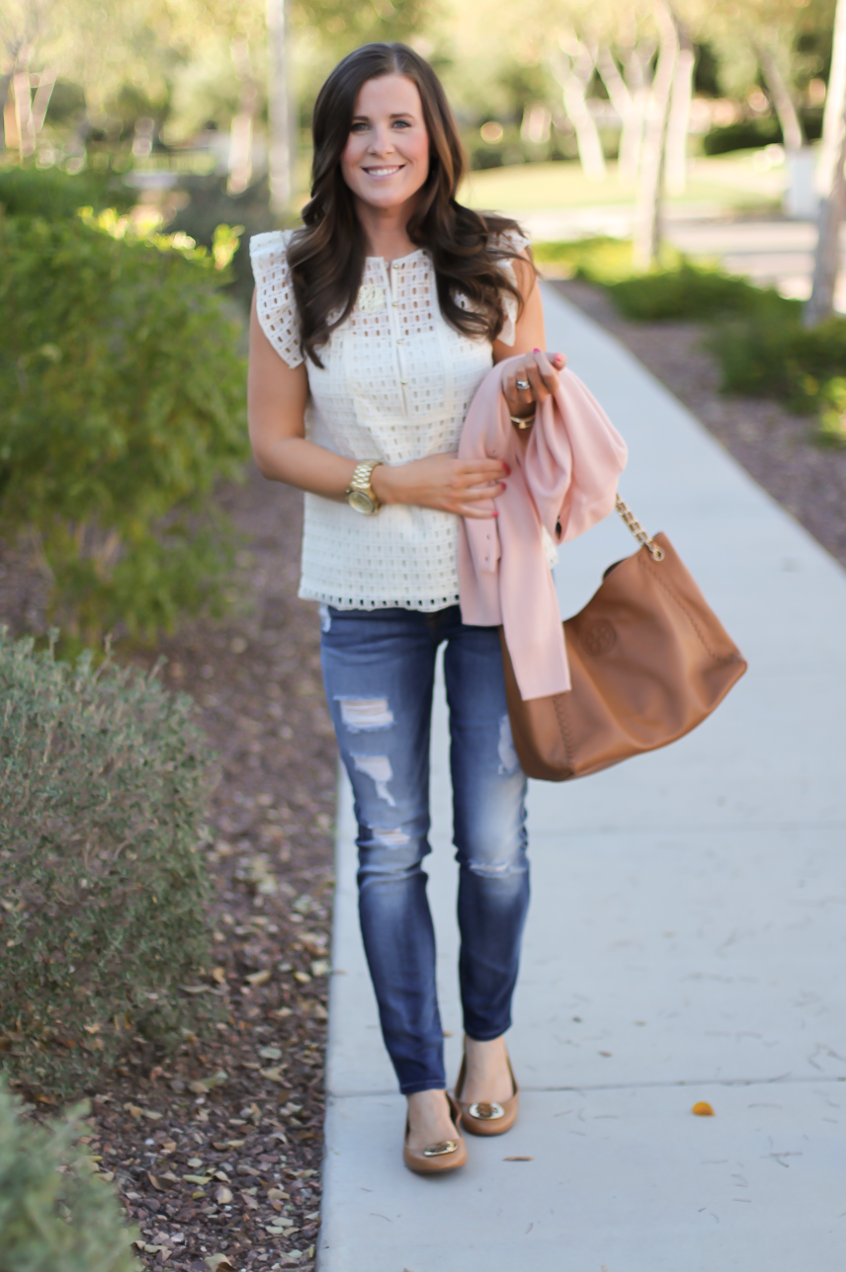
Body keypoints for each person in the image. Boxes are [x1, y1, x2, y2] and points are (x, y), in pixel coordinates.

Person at [247, 41, 565, 1174]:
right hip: (365, 594)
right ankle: (420, 1084)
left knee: (493, 849)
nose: (381, 146)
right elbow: (274, 440)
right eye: (359, 127)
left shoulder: (497, 259)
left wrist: (530, 403)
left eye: (401, 123)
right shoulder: (291, 270)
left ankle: (489, 1045)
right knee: (390, 852)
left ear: (434, 135)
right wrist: (396, 482)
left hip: (489, 589)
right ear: (334, 145)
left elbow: (530, 427)